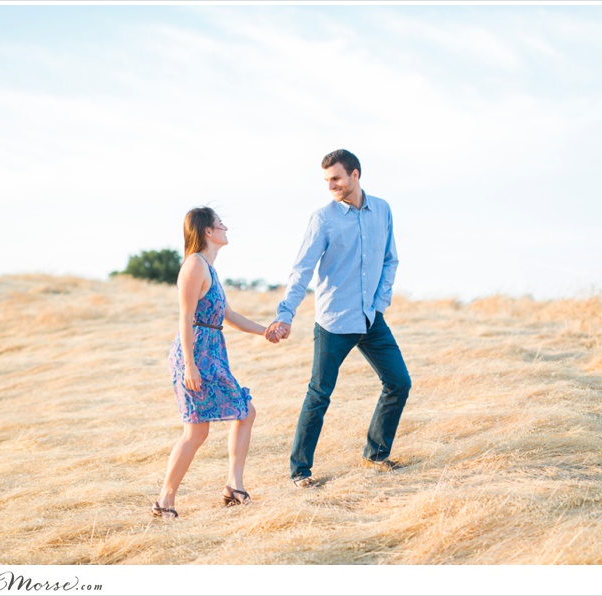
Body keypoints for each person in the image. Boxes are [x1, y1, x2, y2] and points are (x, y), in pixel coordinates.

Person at [266, 149, 411, 488]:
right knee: (319, 395)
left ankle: (376, 456)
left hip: (370, 319)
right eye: (327, 180)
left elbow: (391, 260)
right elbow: (301, 270)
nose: (331, 185)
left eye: (336, 178)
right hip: (334, 320)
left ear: (355, 175)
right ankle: (300, 473)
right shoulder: (323, 218)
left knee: (399, 383)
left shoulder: (383, 210)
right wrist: (285, 315)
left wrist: (379, 303)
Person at [152, 207, 284, 518]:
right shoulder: (194, 266)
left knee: (245, 411)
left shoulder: (209, 268)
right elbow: (185, 318)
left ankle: (233, 486)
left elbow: (229, 315)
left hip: (211, 352)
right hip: (195, 354)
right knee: (196, 432)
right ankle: (164, 502)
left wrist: (265, 331)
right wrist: (189, 365)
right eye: (220, 224)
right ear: (208, 232)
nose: (226, 228)